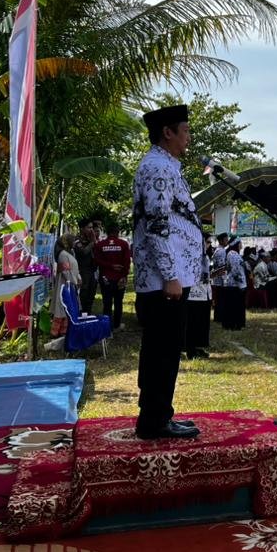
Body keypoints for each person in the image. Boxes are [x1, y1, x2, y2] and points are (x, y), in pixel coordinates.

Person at [131, 103, 204, 440]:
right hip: (164, 280)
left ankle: (158, 416)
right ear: (167, 132)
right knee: (162, 351)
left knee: (165, 349)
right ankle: (155, 420)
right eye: (185, 130)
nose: (189, 137)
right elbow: (158, 224)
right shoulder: (158, 168)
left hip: (170, 276)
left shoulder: (166, 166)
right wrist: (171, 276)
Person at [94, 222, 132, 329]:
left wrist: (110, 266)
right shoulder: (123, 244)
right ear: (118, 232)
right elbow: (127, 262)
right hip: (120, 278)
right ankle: (117, 324)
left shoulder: (100, 245)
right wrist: (124, 276)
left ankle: (107, 326)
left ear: (106, 232)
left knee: (107, 303)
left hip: (105, 278)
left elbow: (97, 260)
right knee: (118, 302)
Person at [50, 234, 81, 336]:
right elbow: (65, 271)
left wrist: (78, 278)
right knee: (61, 308)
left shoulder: (70, 253)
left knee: (67, 308)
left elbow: (74, 268)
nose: (74, 242)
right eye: (73, 240)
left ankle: (64, 331)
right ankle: (55, 333)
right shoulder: (63, 255)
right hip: (64, 284)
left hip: (70, 284)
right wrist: (74, 281)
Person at [184, 249, 211, 360]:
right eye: (207, 242)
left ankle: (198, 346)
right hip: (193, 294)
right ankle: (190, 349)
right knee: (193, 322)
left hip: (204, 292)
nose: (208, 245)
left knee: (201, 323)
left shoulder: (205, 256)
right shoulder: (190, 253)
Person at [73, 221, 99, 314]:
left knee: (91, 294)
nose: (91, 230)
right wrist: (92, 242)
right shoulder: (77, 240)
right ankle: (82, 314)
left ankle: (88, 313)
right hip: (83, 270)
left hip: (92, 270)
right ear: (82, 229)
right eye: (89, 227)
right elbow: (83, 252)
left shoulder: (90, 239)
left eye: (92, 228)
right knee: (83, 294)